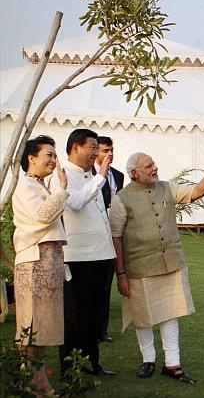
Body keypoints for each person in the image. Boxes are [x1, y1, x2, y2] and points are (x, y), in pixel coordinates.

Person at [109, 143, 204, 383]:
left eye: (153, 164)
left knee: (170, 313)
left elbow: (196, 192)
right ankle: (148, 360)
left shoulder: (166, 188)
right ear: (135, 173)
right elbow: (116, 237)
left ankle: (173, 365)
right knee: (142, 316)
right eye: (149, 166)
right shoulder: (121, 199)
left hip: (171, 263)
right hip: (138, 267)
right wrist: (120, 274)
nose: (155, 168)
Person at [48, 128, 116, 377]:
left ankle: (91, 363)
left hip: (100, 254)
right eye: (93, 147)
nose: (96, 153)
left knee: (95, 314)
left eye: (98, 148)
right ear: (76, 147)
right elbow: (75, 203)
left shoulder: (91, 174)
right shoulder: (61, 175)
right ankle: (70, 367)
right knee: (75, 315)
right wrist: (101, 177)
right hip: (77, 256)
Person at [11, 136, 68, 394]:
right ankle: (34, 377)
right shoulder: (25, 186)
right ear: (31, 158)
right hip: (35, 261)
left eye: (55, 156)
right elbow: (43, 216)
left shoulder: (39, 186)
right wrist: (62, 190)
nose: (54, 161)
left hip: (47, 261)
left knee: (44, 322)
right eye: (49, 155)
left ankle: (32, 374)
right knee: (32, 321)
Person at [93, 136, 125, 344]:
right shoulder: (89, 175)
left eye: (111, 150)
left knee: (106, 284)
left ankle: (101, 330)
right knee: (93, 285)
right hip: (95, 233)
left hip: (113, 232)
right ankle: (91, 328)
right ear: (96, 152)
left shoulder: (119, 176)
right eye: (105, 150)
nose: (109, 154)